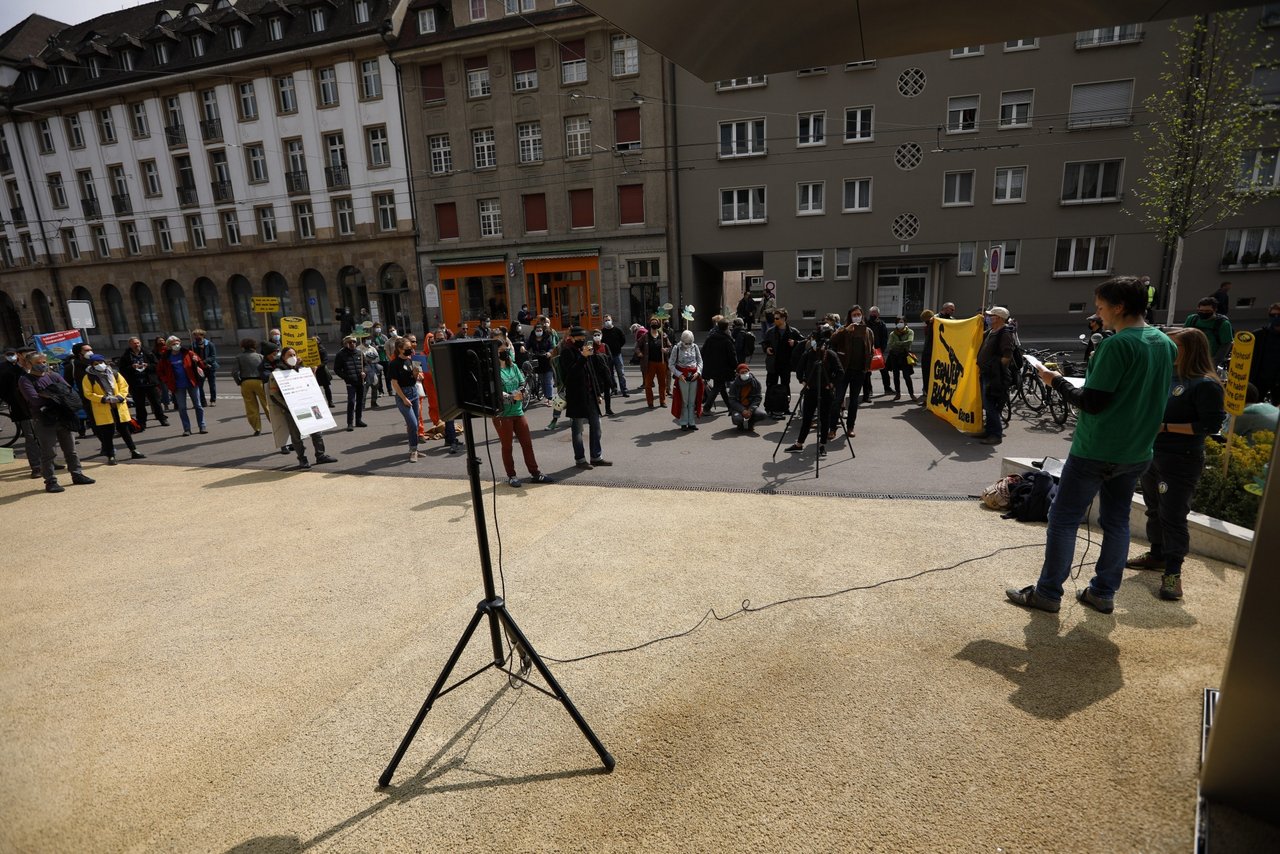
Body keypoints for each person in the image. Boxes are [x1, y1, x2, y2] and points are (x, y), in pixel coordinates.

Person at [1006, 275, 1177, 615]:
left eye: (1101, 306)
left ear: (1120, 307)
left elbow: (1093, 402)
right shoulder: (1165, 343)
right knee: (1116, 522)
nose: (1097, 312)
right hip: (1138, 450)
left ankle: (1048, 592)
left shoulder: (1116, 345)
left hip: (1097, 448)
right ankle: (1103, 592)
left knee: (1064, 518)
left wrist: (1055, 381)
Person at [1124, 328, 1226, 602]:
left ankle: (1173, 573)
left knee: (1173, 516)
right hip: (1152, 454)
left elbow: (1210, 426)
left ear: (1190, 349)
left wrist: (1164, 427)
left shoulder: (1205, 384)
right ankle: (1156, 554)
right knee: (1154, 509)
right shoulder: (1168, 376)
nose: (1167, 351)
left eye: (1173, 346)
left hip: (1181, 459)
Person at [18, 351, 95, 493]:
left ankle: (77, 474)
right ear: (29, 364)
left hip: (64, 417)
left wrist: (51, 396)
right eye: (38, 363)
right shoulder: (26, 380)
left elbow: (70, 393)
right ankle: (50, 481)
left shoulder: (54, 375)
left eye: (43, 362)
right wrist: (58, 397)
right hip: (44, 419)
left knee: (71, 450)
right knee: (49, 453)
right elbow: (35, 400)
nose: (42, 365)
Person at [492, 341, 552, 487]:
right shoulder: (493, 371)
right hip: (503, 415)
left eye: (506, 349)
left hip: (518, 411)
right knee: (507, 447)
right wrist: (512, 397)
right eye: (501, 350)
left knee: (527, 443)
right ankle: (511, 476)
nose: (505, 352)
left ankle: (535, 473)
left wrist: (521, 392)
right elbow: (497, 392)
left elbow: (522, 382)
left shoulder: (513, 367)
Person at [265, 346, 336, 469]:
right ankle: (302, 459)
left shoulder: (302, 370)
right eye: (289, 355)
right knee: (296, 436)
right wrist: (288, 407)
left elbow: (309, 387)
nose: (292, 357)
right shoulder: (277, 373)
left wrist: (312, 375)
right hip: (292, 410)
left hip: (309, 406)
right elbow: (274, 395)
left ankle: (321, 455)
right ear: (283, 358)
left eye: (294, 354)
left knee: (317, 431)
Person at [785, 328, 843, 457]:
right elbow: (799, 370)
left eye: (817, 341)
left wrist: (832, 383)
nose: (814, 343)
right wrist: (803, 381)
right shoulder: (808, 354)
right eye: (813, 340)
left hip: (826, 391)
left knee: (824, 418)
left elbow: (840, 372)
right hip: (811, 390)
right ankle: (799, 444)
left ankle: (822, 445)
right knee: (807, 418)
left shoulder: (830, 354)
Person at [560, 326, 611, 468]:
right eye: (579, 339)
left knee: (596, 427)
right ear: (572, 338)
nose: (582, 341)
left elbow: (592, 374)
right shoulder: (567, 352)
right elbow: (570, 375)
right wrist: (582, 357)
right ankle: (580, 459)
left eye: (584, 338)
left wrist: (598, 393)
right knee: (577, 430)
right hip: (576, 396)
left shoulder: (585, 352)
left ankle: (596, 456)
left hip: (590, 395)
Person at [81, 354, 144, 464]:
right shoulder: (88, 377)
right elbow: (88, 393)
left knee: (125, 430)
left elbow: (124, 385)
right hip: (103, 407)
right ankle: (111, 455)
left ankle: (134, 450)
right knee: (107, 433)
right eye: (96, 364)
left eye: (101, 362)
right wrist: (104, 399)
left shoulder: (114, 373)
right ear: (92, 365)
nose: (99, 365)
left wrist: (120, 396)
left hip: (118, 405)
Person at [828, 307, 874, 438]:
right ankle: (832, 428)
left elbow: (871, 348)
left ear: (862, 316)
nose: (857, 317)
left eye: (859, 314)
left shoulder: (868, 331)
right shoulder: (844, 329)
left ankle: (850, 427)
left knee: (854, 401)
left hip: (859, 371)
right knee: (838, 400)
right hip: (844, 370)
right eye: (854, 315)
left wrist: (868, 364)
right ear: (850, 316)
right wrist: (844, 330)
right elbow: (832, 340)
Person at [974, 307, 1015, 446]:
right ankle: (988, 430)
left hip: (993, 376)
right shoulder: (992, 331)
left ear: (998, 318)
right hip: (986, 373)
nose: (988, 317)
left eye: (991, 316)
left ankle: (996, 435)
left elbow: (1007, 355)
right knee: (986, 403)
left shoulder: (1004, 333)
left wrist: (996, 370)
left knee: (991, 405)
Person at [1, 346, 42, 477]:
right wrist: (14, 402)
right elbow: (4, 390)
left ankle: (48, 461)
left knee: (44, 435)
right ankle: (36, 466)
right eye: (27, 354)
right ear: (19, 355)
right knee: (31, 437)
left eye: (32, 353)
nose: (30, 356)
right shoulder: (9, 370)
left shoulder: (36, 367)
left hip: (40, 407)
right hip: (23, 409)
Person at [156, 335, 207, 436]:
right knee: (182, 408)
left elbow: (201, 365)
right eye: (174, 344)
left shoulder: (188, 353)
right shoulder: (166, 357)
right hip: (177, 386)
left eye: (178, 343)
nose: (176, 345)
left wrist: (197, 360)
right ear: (169, 346)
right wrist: (166, 380)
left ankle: (202, 426)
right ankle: (187, 429)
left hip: (192, 383)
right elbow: (160, 371)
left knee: (198, 406)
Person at [117, 337, 168, 429]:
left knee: (156, 402)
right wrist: (132, 367)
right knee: (139, 405)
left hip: (149, 382)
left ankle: (162, 418)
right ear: (130, 345)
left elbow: (156, 366)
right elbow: (122, 370)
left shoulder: (148, 353)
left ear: (140, 343)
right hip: (136, 384)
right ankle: (141, 422)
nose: (136, 345)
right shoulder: (126, 356)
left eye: (137, 343)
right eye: (134, 343)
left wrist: (147, 365)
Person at [388, 339, 423, 462]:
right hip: (403, 395)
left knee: (416, 424)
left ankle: (414, 449)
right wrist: (404, 398)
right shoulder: (394, 364)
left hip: (414, 392)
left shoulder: (412, 360)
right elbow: (394, 383)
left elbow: (419, 377)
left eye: (411, 347)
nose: (411, 349)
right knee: (412, 424)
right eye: (407, 347)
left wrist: (417, 374)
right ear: (400, 349)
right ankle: (413, 450)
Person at [231, 338, 270, 436]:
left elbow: (234, 372)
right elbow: (266, 370)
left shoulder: (239, 357)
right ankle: (275, 424)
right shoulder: (260, 356)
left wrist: (239, 382)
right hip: (259, 381)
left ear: (243, 347)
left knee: (251, 407)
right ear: (254, 346)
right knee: (267, 404)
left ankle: (257, 428)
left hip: (246, 382)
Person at [670, 329, 705, 430]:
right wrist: (679, 374)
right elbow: (671, 364)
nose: (688, 345)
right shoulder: (677, 348)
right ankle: (684, 422)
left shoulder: (695, 347)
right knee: (684, 401)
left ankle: (691, 422)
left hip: (694, 376)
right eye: (686, 343)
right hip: (683, 377)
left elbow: (700, 361)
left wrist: (698, 372)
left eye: (690, 343)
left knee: (692, 401)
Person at [762, 308, 802, 395]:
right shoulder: (770, 331)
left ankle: (785, 405)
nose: (775, 320)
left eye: (777, 318)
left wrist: (795, 342)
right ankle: (769, 405)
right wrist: (766, 349)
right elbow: (764, 343)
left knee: (785, 385)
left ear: (783, 318)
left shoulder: (793, 331)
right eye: (774, 318)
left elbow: (804, 342)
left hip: (786, 364)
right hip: (773, 363)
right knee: (770, 385)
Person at [333, 335, 368, 431]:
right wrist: (346, 377)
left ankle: (358, 420)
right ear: (345, 344)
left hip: (360, 381)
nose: (352, 344)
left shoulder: (360, 353)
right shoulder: (341, 354)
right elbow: (337, 369)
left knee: (360, 401)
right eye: (350, 342)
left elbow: (365, 366)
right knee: (351, 402)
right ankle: (350, 423)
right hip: (350, 382)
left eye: (353, 342)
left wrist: (364, 372)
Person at [701, 318, 737, 413]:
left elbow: (703, 352)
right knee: (717, 387)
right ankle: (706, 408)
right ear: (727, 328)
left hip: (711, 367)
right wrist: (735, 366)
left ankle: (730, 406)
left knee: (721, 387)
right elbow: (732, 355)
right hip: (723, 369)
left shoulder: (710, 338)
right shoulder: (727, 340)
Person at [1184, 297, 1233, 366]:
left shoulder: (1223, 324)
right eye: (1201, 310)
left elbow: (1226, 344)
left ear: (1215, 310)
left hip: (1209, 360)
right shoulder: (1192, 319)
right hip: (1191, 357)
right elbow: (1184, 336)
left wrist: (1214, 362)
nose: (1204, 313)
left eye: (1207, 311)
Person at [1248, 303, 1280, 404]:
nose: (1276, 318)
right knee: (1254, 406)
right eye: (1272, 315)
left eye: (1279, 315)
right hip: (1260, 378)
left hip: (1278, 379)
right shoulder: (1258, 335)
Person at [638, 318, 672, 408]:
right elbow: (637, 346)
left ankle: (662, 401)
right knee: (648, 384)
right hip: (650, 363)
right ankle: (650, 402)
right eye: (652, 323)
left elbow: (670, 346)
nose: (654, 324)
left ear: (658, 325)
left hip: (662, 363)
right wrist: (639, 353)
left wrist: (666, 350)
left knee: (662, 383)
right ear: (650, 324)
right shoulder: (645, 336)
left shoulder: (663, 335)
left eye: (655, 323)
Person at [863, 307, 891, 400]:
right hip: (868, 350)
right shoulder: (866, 323)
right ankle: (869, 390)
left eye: (874, 313)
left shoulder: (881, 324)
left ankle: (887, 388)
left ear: (878, 314)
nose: (872, 315)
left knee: (884, 369)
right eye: (871, 313)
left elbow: (884, 338)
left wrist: (881, 350)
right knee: (868, 372)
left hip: (878, 350)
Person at [886, 316, 916, 402]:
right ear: (896, 324)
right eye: (899, 322)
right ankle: (897, 394)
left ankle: (912, 394)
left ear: (905, 323)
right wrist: (902, 343)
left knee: (907, 376)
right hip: (894, 356)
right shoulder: (892, 333)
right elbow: (890, 344)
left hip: (905, 356)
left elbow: (910, 341)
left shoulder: (910, 332)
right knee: (896, 376)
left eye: (902, 322)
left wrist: (897, 343)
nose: (900, 324)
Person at [727, 362, 763, 432]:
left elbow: (758, 397)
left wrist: (750, 410)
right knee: (737, 419)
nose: (744, 374)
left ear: (749, 371)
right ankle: (740, 424)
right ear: (738, 374)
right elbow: (732, 400)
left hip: (750, 406)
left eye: (746, 371)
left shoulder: (756, 383)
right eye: (742, 372)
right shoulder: (733, 385)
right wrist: (743, 410)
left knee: (762, 414)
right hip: (739, 408)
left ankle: (751, 423)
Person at [600, 314, 629, 398]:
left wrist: (618, 347)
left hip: (617, 354)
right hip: (607, 356)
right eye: (605, 320)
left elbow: (623, 340)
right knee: (610, 374)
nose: (607, 322)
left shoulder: (617, 330)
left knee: (621, 373)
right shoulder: (602, 332)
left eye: (608, 320)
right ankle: (614, 389)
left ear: (611, 320)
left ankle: (624, 390)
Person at [190, 329, 218, 407]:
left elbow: (213, 357)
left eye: (197, 335)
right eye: (195, 335)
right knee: (199, 386)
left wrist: (204, 362)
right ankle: (203, 401)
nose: (196, 337)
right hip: (199, 368)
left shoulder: (210, 344)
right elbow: (190, 356)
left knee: (212, 385)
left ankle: (213, 400)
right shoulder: (193, 345)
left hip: (210, 367)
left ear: (202, 335)